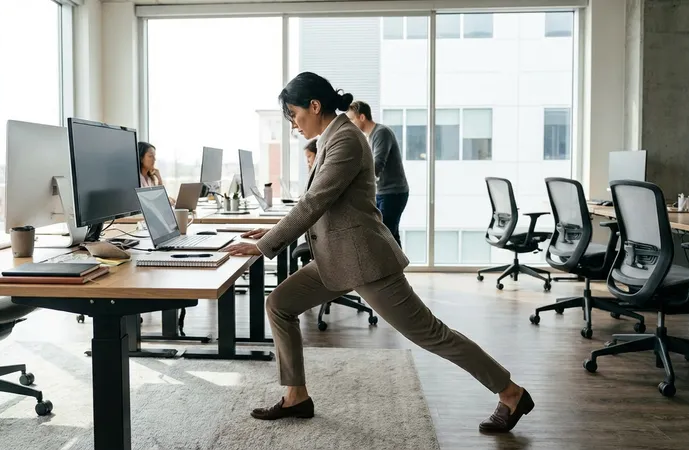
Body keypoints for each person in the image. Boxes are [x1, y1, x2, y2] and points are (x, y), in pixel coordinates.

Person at [222, 72, 533, 433]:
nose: (293, 123)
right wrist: (271, 230)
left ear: (315, 106)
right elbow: (318, 205)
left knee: (431, 334)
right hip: (336, 259)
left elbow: (315, 202)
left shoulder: (346, 141)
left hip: (365, 261)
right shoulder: (332, 137)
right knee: (279, 304)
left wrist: (264, 246)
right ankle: (296, 396)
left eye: (294, 114)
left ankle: (510, 392)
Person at [347, 101, 409, 247]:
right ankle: (397, 269)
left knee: (384, 236)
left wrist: (357, 182)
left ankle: (391, 269)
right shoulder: (370, 136)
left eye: (351, 119)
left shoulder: (381, 132)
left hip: (393, 192)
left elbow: (377, 164)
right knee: (390, 234)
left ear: (362, 117)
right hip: (384, 192)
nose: (349, 124)